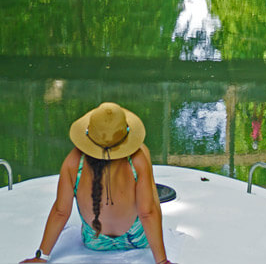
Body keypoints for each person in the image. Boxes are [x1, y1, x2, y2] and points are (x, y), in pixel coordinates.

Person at [21, 102, 174, 264]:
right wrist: (162, 261)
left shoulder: (73, 162)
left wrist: (41, 257)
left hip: (95, 241)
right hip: (137, 240)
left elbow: (61, 212)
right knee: (145, 162)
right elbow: (147, 213)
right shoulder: (137, 160)